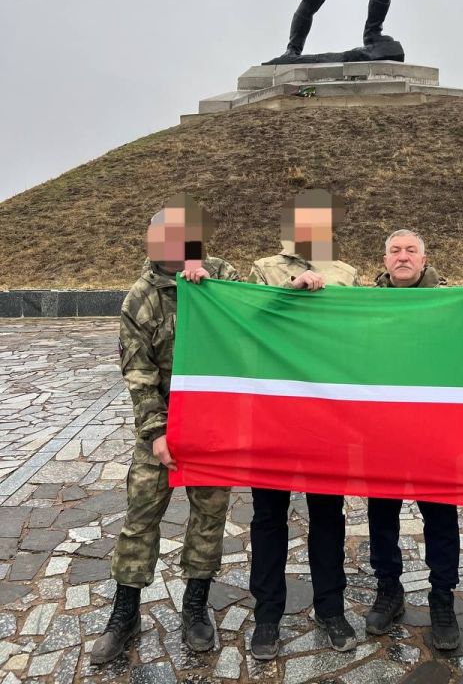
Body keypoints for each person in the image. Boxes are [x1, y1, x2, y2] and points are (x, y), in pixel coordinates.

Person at [91, 194, 240, 665]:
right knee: (140, 519)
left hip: (212, 428)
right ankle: (125, 612)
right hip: (162, 425)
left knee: (209, 516)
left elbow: (258, 317)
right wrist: (156, 434)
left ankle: (196, 606)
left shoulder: (222, 274)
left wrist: (214, 290)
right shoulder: (140, 298)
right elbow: (138, 375)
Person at [247, 189, 358, 660]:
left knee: (328, 517)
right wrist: (285, 293)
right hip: (274, 412)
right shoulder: (263, 268)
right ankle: (267, 616)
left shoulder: (348, 274)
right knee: (268, 518)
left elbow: (363, 331)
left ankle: (330, 608)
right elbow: (246, 320)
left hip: (325, 413)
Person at [365, 229, 461, 650]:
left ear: (424, 259)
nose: (403, 257)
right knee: (381, 516)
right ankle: (389, 590)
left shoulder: (451, 302)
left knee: (440, 517)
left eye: (411, 251)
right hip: (381, 431)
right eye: (395, 251)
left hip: (432, 432)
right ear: (384, 260)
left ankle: (442, 599)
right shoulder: (362, 303)